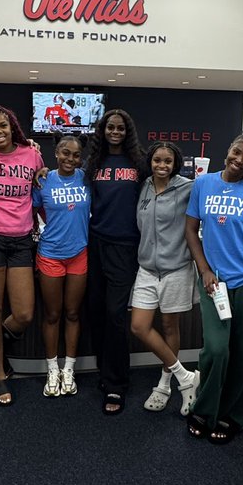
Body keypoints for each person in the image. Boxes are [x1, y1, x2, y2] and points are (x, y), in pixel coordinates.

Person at [184, 123, 243, 443]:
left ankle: (232, 414)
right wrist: (204, 270)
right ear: (228, 150)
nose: (240, 160)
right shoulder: (204, 184)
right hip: (214, 283)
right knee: (216, 349)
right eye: (237, 152)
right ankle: (204, 408)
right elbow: (191, 231)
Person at [0, 105, 44, 407]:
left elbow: (40, 190)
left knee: (25, 313)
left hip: (21, 240)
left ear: (12, 126)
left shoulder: (32, 154)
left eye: (3, 125)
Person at [130, 142, 199, 415]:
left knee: (171, 327)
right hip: (147, 270)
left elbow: (219, 184)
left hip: (176, 269)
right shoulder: (144, 186)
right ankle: (186, 378)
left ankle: (164, 383)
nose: (162, 165)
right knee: (139, 326)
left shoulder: (188, 187)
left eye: (167, 161)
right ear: (150, 161)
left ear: (175, 163)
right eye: (157, 160)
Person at [85, 108, 145, 414]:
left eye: (121, 127)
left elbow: (172, 177)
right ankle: (103, 372)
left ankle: (117, 384)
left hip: (125, 246)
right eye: (110, 127)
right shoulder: (93, 163)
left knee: (115, 314)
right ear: (103, 130)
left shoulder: (140, 162)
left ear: (128, 130)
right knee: (95, 311)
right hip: (95, 243)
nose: (115, 131)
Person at [33, 133, 90, 397]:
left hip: (79, 253)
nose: (70, 158)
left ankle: (69, 368)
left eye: (76, 155)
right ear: (56, 153)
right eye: (65, 153)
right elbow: (30, 212)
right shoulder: (44, 179)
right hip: (50, 254)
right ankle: (52, 368)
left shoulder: (86, 179)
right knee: (52, 315)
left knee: (73, 314)